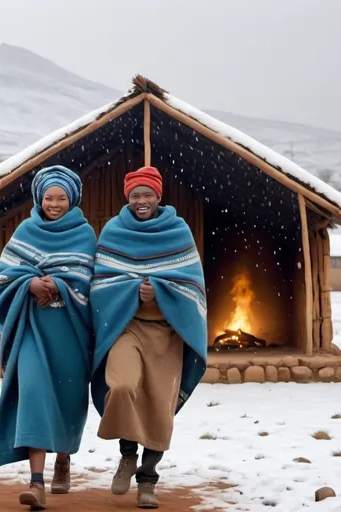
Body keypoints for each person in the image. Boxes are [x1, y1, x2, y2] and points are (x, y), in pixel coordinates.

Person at [90, 166, 207, 509]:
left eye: (147, 194)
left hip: (168, 333)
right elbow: (101, 284)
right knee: (123, 386)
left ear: (159, 196)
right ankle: (127, 455)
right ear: (128, 198)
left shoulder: (178, 230)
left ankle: (147, 480)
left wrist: (158, 290)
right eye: (135, 195)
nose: (142, 201)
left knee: (159, 407)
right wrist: (132, 292)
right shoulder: (114, 230)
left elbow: (193, 285)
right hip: (127, 328)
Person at [0, 165, 96, 510]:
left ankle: (63, 458)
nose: (54, 203)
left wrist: (61, 285)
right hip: (32, 330)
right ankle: (36, 482)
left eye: (61, 197)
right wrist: (29, 284)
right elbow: (1, 280)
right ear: (39, 199)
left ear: (71, 200)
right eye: (49, 197)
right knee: (33, 393)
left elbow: (91, 284)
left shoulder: (85, 234)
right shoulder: (25, 231)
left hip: (70, 333)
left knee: (66, 397)